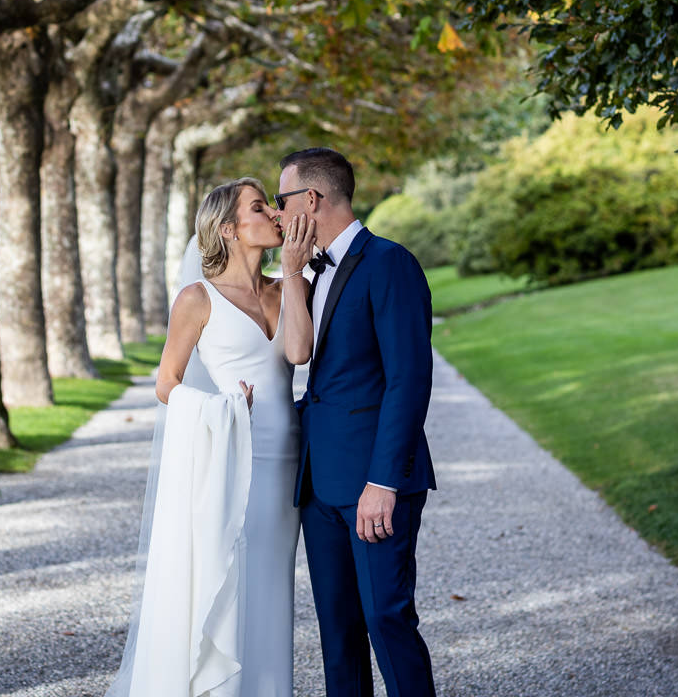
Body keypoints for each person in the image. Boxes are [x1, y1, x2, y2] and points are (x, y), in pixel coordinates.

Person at [107, 177, 314, 697]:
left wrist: (292, 272)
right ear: (228, 228)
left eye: (270, 203)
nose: (272, 212)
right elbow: (166, 384)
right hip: (230, 456)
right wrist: (218, 409)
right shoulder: (198, 299)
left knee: (271, 586)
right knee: (229, 581)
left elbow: (300, 354)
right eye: (257, 206)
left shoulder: (290, 286)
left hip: (286, 462)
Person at [276, 147, 437, 697]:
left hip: (373, 483)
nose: (277, 214)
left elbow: (408, 380)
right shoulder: (304, 272)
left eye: (282, 200)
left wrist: (384, 481)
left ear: (312, 199)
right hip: (320, 484)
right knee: (337, 634)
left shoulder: (390, 263)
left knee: (387, 622)